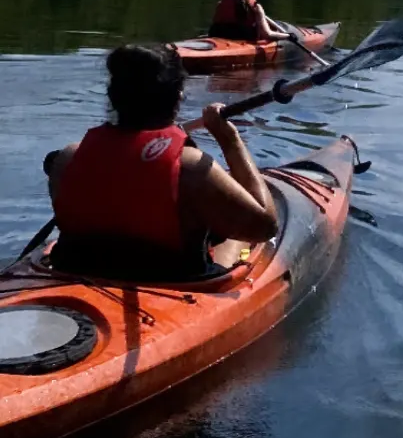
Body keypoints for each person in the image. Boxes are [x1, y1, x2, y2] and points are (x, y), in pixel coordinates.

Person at [45, 42, 279, 283]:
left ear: (113, 97)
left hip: (75, 270)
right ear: (177, 98)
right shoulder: (191, 168)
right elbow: (265, 228)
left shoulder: (67, 159)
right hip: (170, 280)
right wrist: (229, 140)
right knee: (236, 236)